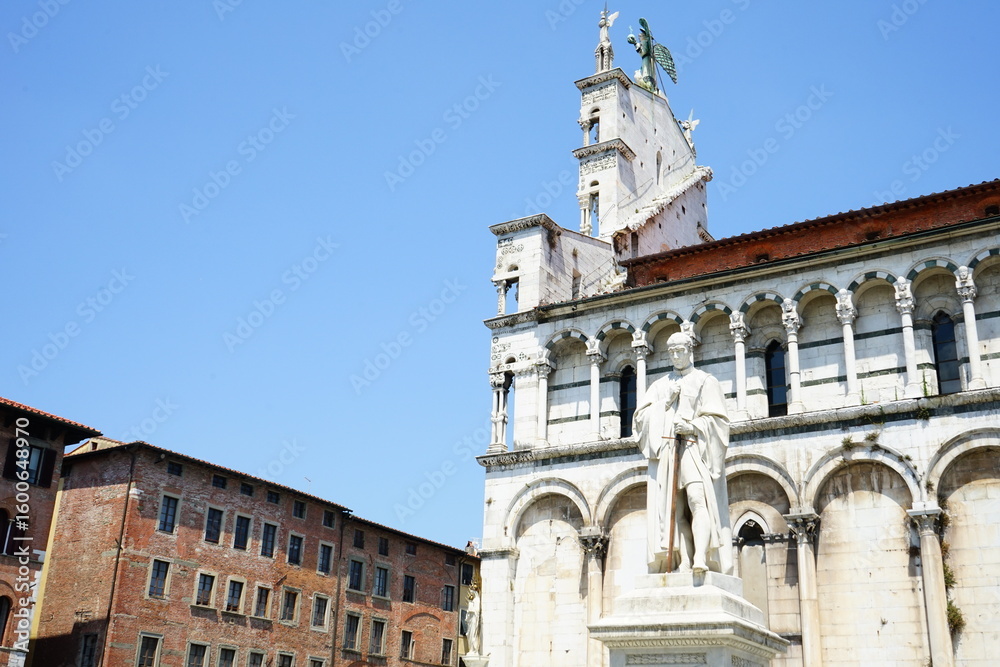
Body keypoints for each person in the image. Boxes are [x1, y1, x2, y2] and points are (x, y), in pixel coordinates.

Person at [633, 331, 733, 575]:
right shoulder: (659, 386)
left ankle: (701, 557)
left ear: (690, 351)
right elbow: (640, 421)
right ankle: (685, 561)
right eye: (671, 352)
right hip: (668, 450)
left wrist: (693, 426)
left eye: (680, 351)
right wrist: (664, 403)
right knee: (673, 509)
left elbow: (719, 421)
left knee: (698, 500)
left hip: (693, 447)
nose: (676, 356)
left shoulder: (705, 381)